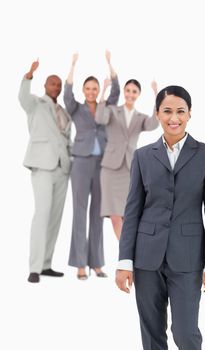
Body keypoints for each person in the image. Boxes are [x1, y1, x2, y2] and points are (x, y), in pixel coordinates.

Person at [116, 85, 205, 350]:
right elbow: (132, 212)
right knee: (152, 335)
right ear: (157, 114)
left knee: (186, 333)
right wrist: (124, 261)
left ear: (189, 114)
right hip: (146, 257)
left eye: (180, 111)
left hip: (188, 257)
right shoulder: (142, 156)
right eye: (167, 111)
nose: (173, 118)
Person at [64, 51, 120, 280]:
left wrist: (110, 63)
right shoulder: (76, 108)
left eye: (94, 88)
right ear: (83, 90)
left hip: (102, 165)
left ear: (98, 91)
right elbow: (66, 93)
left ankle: (96, 263)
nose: (91, 92)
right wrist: (73, 65)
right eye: (87, 88)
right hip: (81, 163)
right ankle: (79, 264)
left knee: (98, 212)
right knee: (79, 212)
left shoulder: (106, 106)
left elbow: (116, 90)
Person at [18, 60, 72, 283]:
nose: (56, 87)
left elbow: (66, 139)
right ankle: (34, 267)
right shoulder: (34, 103)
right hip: (42, 165)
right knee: (42, 214)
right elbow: (22, 97)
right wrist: (27, 76)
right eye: (52, 83)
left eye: (59, 85)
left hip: (62, 168)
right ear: (45, 86)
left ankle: (46, 264)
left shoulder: (65, 112)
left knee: (55, 218)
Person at [96, 78, 159, 240]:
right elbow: (100, 119)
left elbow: (153, 124)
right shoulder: (112, 110)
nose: (130, 94)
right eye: (128, 91)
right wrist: (103, 91)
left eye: (134, 92)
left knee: (129, 215)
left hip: (130, 169)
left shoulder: (140, 117)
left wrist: (156, 96)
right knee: (115, 216)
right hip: (110, 169)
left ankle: (131, 253)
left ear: (138, 95)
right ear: (124, 92)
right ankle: (125, 255)